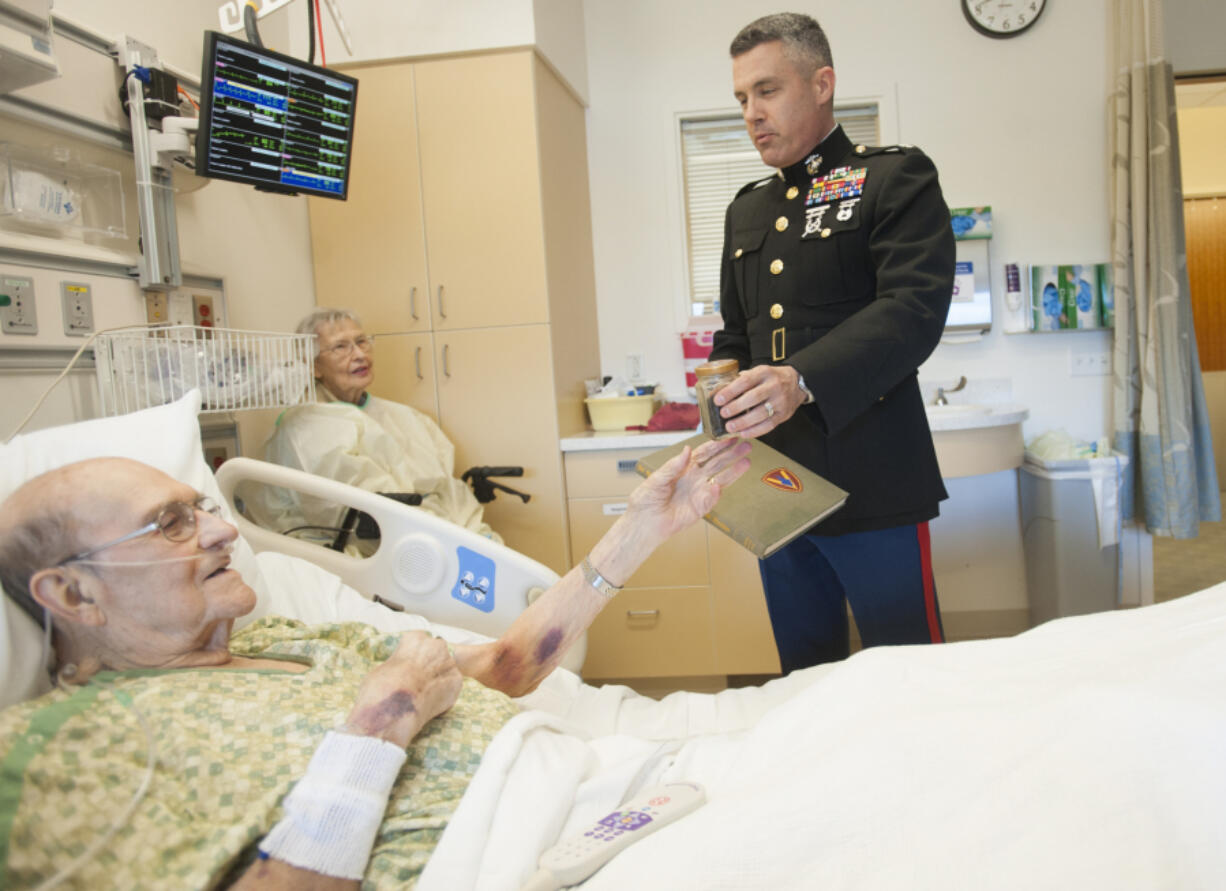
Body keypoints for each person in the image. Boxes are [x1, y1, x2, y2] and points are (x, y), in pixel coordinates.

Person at [0, 438, 750, 888]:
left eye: (204, 506)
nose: (223, 530)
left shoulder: (290, 640)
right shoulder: (63, 748)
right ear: (72, 590)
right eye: (172, 523)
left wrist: (643, 531)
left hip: (598, 804)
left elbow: (507, 665)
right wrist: (377, 726)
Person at [707, 13, 956, 672]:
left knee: (910, 677)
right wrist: (718, 387)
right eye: (741, 99)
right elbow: (735, 331)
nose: (751, 113)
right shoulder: (745, 209)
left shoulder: (893, 179)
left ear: (822, 84)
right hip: (776, 488)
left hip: (872, 481)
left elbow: (913, 308)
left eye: (767, 90)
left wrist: (802, 378)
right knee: (804, 675)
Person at [257, 308, 501, 545]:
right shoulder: (306, 428)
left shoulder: (406, 417)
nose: (360, 354)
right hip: (369, 550)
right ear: (313, 366)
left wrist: (479, 538)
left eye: (362, 341)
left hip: (439, 534)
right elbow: (351, 518)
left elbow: (449, 490)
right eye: (341, 347)